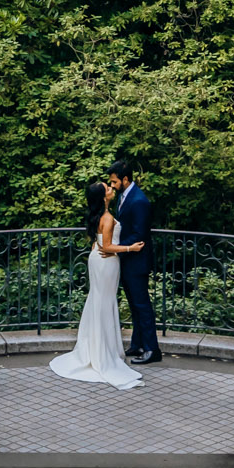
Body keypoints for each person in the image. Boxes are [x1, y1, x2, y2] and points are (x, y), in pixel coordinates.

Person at [49, 178, 144, 388]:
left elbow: (101, 242)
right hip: (106, 262)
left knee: (99, 301)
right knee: (103, 303)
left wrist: (98, 246)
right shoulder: (107, 217)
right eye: (107, 188)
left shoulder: (100, 216)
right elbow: (109, 246)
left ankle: (99, 348)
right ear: (103, 197)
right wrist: (131, 248)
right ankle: (102, 353)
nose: (111, 189)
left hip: (99, 260)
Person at [108, 158, 161, 363]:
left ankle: (152, 349)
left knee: (142, 305)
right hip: (128, 260)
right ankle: (137, 344)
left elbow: (139, 234)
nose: (112, 185)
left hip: (137, 261)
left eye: (114, 181)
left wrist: (117, 249)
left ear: (125, 179)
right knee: (134, 305)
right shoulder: (125, 196)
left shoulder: (139, 201)